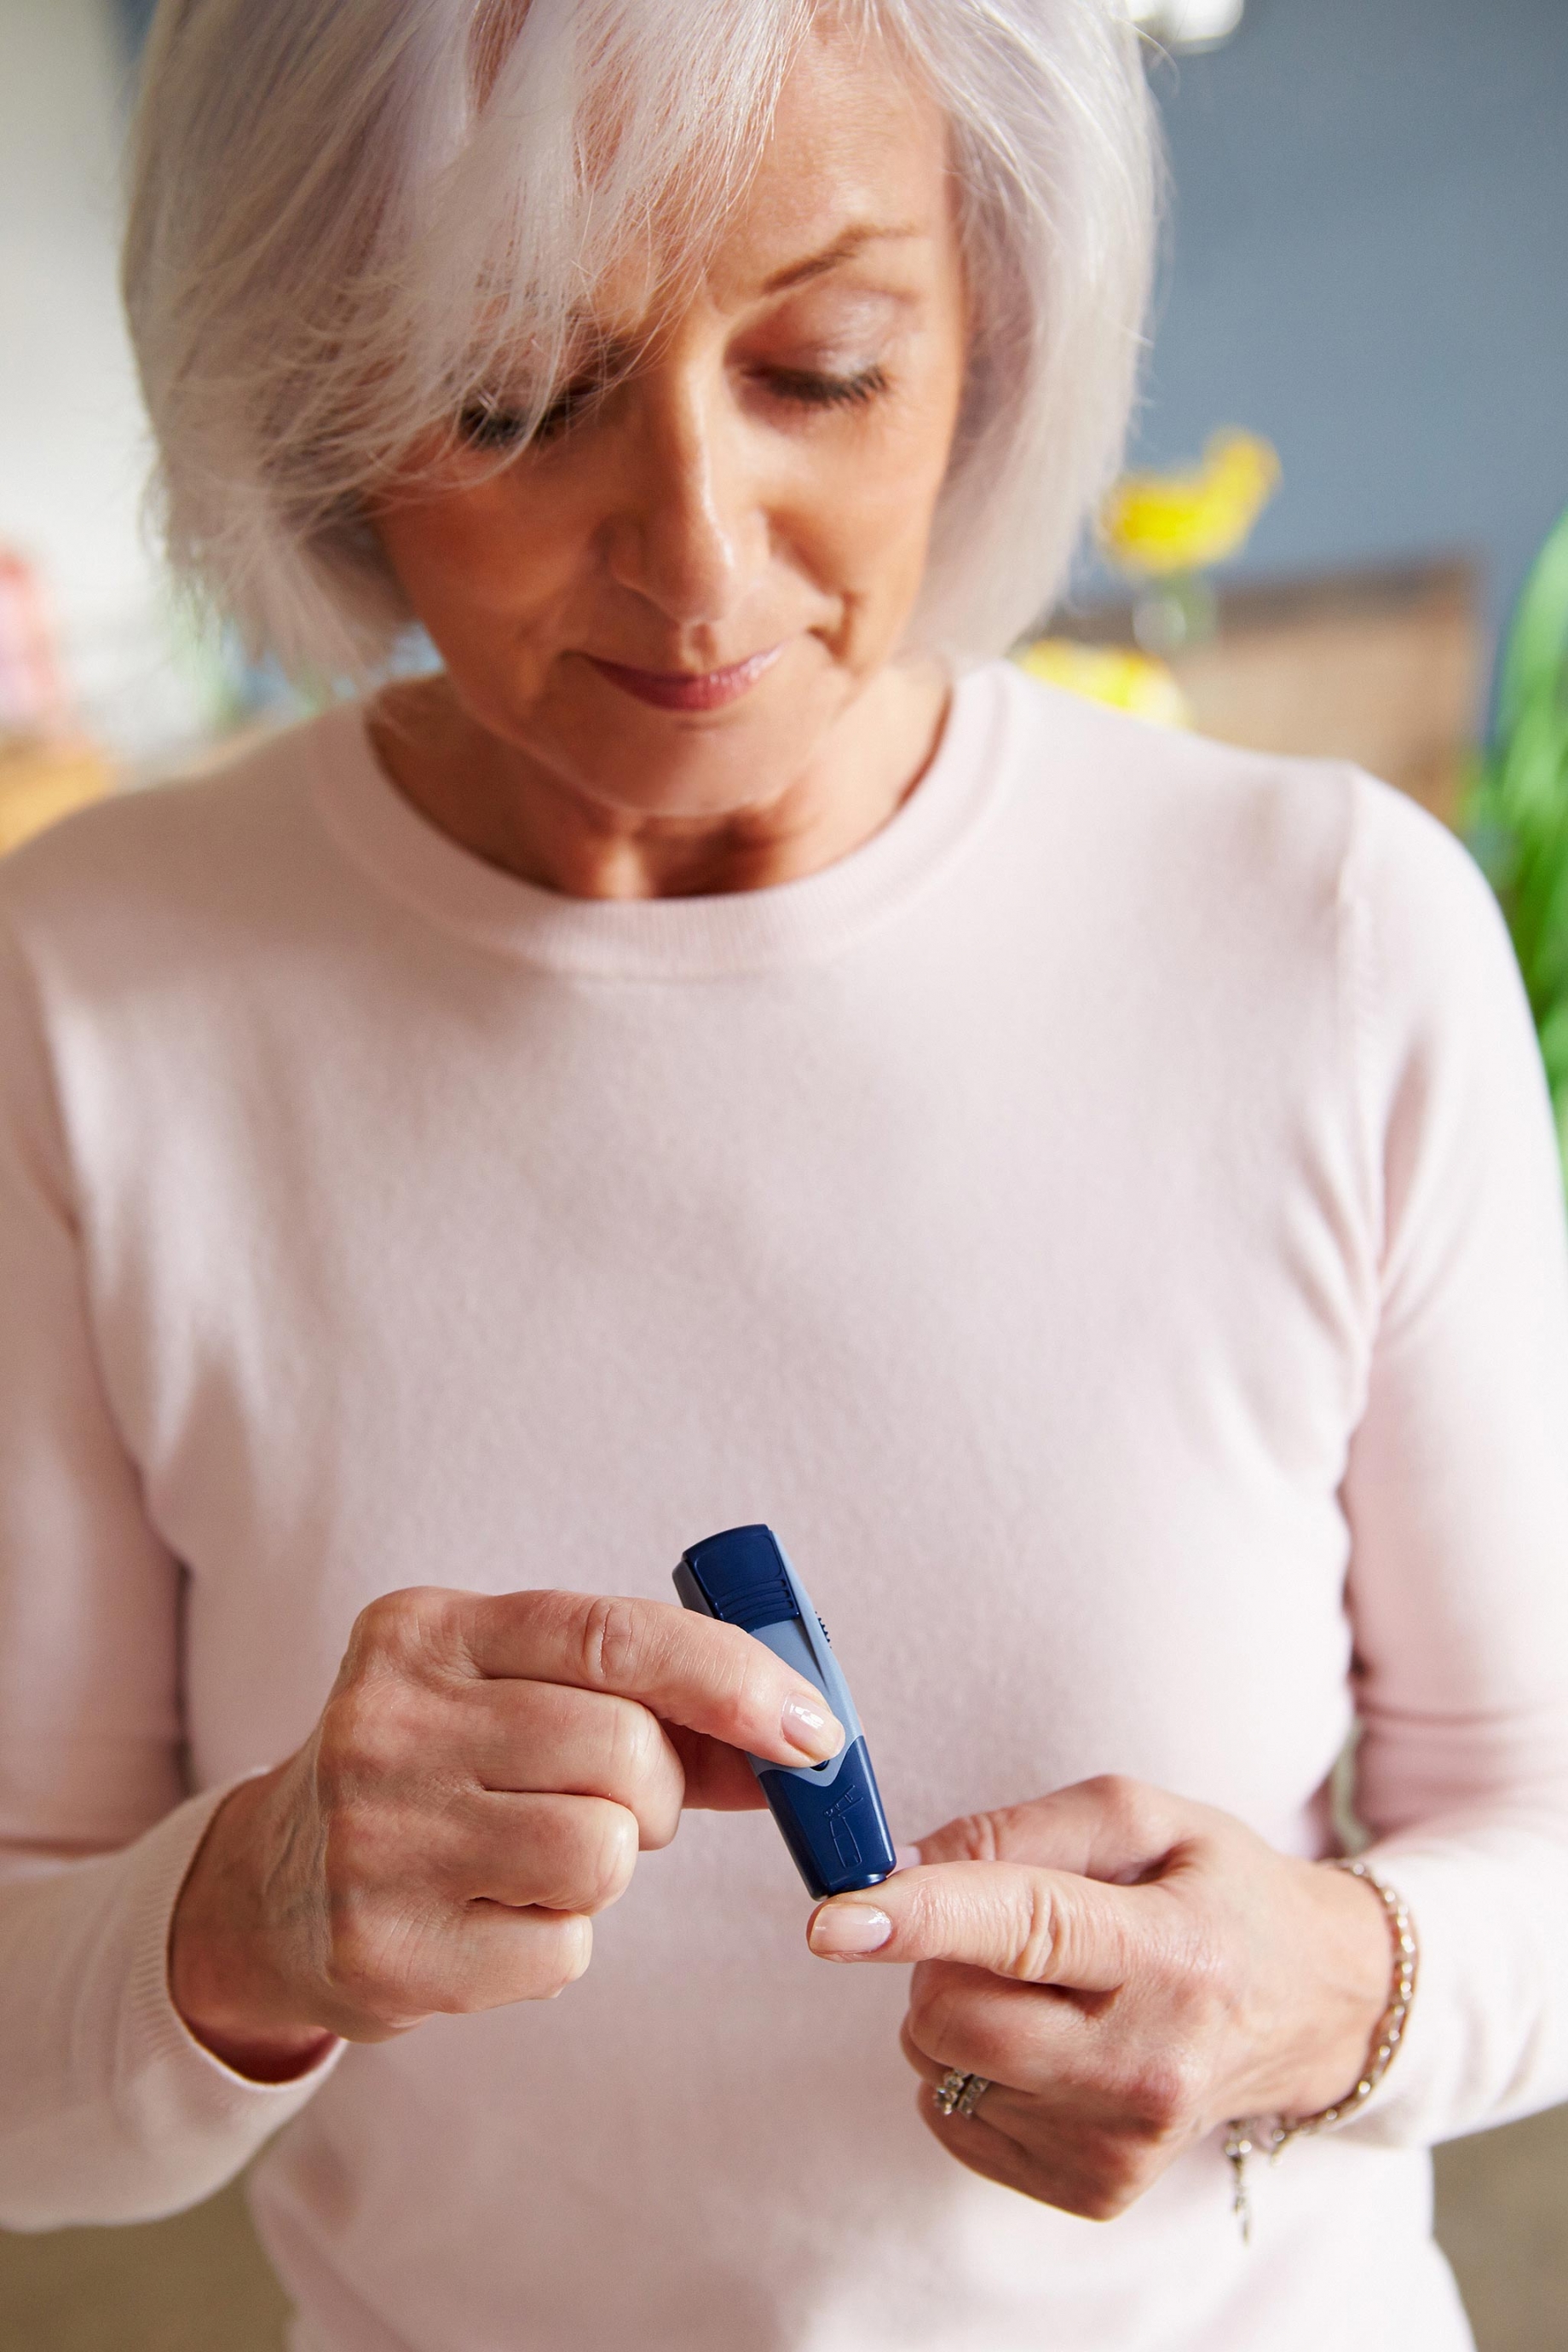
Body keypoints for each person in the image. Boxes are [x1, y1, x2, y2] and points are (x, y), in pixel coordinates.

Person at [1, 3, 1565, 2346]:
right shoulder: (88, 988)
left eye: (822, 368)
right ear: (312, 379)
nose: (698, 566)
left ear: (995, 320)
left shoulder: (1326, 939)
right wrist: (240, 1913)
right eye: (514, 398)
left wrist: (1340, 1992)